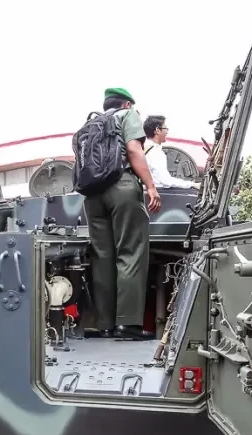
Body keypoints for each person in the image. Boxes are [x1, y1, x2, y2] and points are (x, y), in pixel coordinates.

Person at [83, 88, 160, 341]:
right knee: (130, 252)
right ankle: (127, 324)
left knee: (102, 257)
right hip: (122, 187)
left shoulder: (92, 123)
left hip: (92, 194)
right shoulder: (127, 115)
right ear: (126, 104)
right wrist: (150, 186)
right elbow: (134, 150)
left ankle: (104, 324)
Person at [143, 115, 200, 189]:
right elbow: (166, 181)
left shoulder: (146, 148)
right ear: (157, 130)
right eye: (165, 128)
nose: (167, 132)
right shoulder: (155, 152)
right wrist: (192, 184)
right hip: (158, 192)